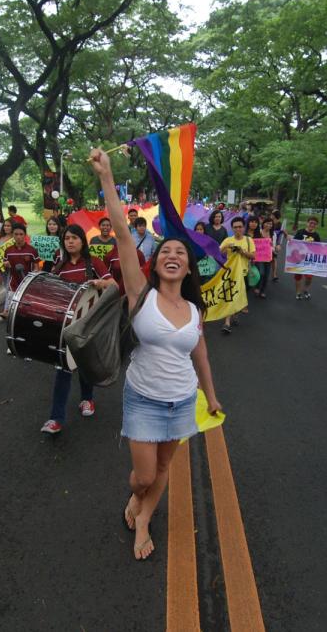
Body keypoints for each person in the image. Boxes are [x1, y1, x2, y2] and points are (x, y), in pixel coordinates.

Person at [89, 148, 221, 561]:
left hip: (181, 399)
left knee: (164, 471)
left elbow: (199, 355)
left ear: (188, 268)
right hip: (143, 398)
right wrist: (107, 177)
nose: (172, 255)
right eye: (166, 251)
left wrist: (211, 397)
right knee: (143, 475)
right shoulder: (139, 296)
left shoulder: (195, 310)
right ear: (156, 263)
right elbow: (123, 234)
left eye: (180, 254)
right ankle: (137, 498)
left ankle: (143, 518)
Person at [40, 224, 116, 434]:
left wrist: (101, 283)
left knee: (84, 366)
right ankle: (56, 419)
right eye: (66, 238)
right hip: (66, 326)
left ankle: (87, 399)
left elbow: (114, 285)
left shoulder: (94, 263)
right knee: (63, 369)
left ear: (82, 241)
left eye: (74, 238)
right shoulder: (60, 266)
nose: (70, 241)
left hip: (89, 325)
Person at [219, 217, 255, 334]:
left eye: (240, 227)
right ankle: (227, 322)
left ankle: (235, 313)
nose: (238, 229)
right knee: (230, 295)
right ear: (232, 228)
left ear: (243, 227)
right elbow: (219, 253)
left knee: (238, 297)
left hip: (243, 273)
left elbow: (253, 256)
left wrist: (242, 251)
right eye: (235, 227)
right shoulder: (228, 240)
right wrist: (227, 247)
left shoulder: (249, 240)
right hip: (230, 272)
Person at [1, 223, 39, 317]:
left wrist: (34, 275)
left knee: (26, 309)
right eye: (16, 234)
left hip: (27, 283)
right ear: (12, 235)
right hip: (13, 282)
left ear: (25, 235)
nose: (18, 237)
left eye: (21, 234)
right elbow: (5, 268)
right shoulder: (8, 251)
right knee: (11, 308)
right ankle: (7, 312)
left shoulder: (32, 250)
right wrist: (5, 265)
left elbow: (36, 267)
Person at [292, 217, 321, 300]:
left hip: (309, 260)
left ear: (316, 225)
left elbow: (320, 248)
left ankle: (306, 289)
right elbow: (294, 243)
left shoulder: (316, 235)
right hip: (299, 258)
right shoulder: (300, 232)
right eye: (311, 223)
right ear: (307, 223)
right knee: (298, 276)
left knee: (309, 277)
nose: (312, 225)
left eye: (314, 224)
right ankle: (298, 292)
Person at [251, 218, 275, 298]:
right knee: (261, 273)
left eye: (270, 224)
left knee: (267, 274)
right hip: (259, 257)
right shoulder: (258, 232)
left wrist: (274, 247)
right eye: (267, 223)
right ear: (263, 224)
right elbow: (254, 243)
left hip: (268, 257)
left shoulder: (273, 234)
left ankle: (263, 290)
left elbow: (275, 246)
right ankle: (257, 287)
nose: (269, 225)